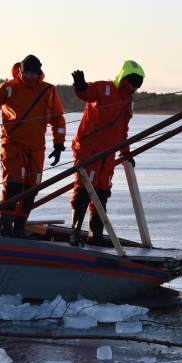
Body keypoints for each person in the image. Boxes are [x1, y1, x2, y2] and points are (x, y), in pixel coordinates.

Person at [0, 55, 66, 238]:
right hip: (13, 145)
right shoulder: (9, 88)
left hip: (37, 148)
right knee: (13, 185)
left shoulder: (48, 91)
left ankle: (19, 227)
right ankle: (6, 227)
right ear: (21, 71)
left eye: (34, 72)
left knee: (31, 189)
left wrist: (59, 144)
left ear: (39, 72)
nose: (31, 76)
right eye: (28, 72)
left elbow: (58, 119)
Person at [68, 60, 144, 246]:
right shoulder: (104, 88)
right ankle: (75, 234)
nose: (135, 88)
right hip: (89, 149)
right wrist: (79, 85)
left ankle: (96, 235)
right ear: (125, 79)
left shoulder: (128, 102)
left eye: (138, 85)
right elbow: (87, 93)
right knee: (84, 189)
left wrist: (126, 153)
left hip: (107, 154)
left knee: (102, 192)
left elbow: (122, 130)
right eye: (133, 83)